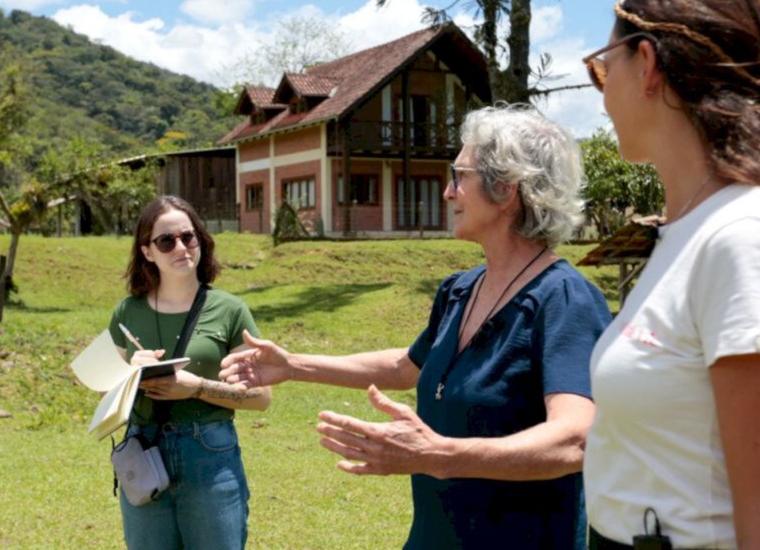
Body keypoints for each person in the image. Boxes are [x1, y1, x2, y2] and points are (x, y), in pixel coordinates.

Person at [221, 104, 613, 549]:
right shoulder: (460, 291)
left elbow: (575, 439)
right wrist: (292, 365)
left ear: (505, 188)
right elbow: (406, 368)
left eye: (458, 175)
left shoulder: (563, 299)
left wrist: (438, 455)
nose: (448, 192)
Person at [580, 0, 760, 548]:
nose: (600, 91)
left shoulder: (749, 238)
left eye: (603, 66)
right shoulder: (693, 230)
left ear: (647, 63)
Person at [108, 195, 270, 550]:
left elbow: (261, 398)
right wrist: (129, 373)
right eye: (166, 241)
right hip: (144, 449)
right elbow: (102, 389)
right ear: (148, 251)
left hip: (209, 453)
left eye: (188, 236)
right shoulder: (127, 312)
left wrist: (197, 387)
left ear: (201, 240)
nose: (180, 247)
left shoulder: (231, 310)